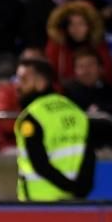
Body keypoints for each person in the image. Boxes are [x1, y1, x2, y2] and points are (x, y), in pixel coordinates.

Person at [14, 57, 95, 200]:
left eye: (23, 80)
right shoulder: (75, 111)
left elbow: (39, 163)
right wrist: (77, 190)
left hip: (37, 201)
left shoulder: (32, 117)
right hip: (73, 201)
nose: (17, 86)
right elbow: (89, 156)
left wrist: (68, 186)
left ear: (40, 82)